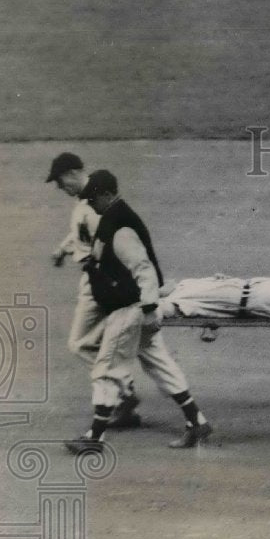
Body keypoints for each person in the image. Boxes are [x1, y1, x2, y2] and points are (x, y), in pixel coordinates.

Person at [63, 170, 212, 453]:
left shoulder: (121, 227)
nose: (90, 205)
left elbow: (143, 270)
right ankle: (197, 422)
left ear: (108, 194)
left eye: (94, 199)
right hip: (136, 306)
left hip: (131, 308)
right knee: (158, 363)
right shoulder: (113, 217)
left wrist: (148, 310)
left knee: (107, 369)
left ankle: (94, 438)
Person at [46, 153, 141, 426]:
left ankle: (123, 392)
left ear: (74, 173)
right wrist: (64, 249)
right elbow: (83, 232)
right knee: (109, 341)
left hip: (99, 281)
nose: (59, 187)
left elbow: (110, 237)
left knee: (79, 344)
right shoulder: (87, 200)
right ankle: (124, 396)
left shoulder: (93, 202)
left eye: (60, 181)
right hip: (99, 279)